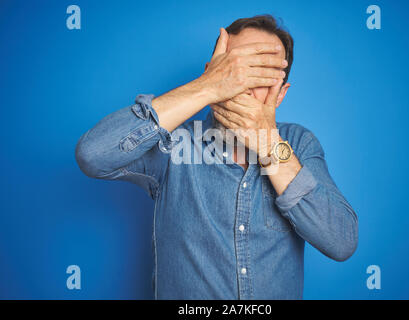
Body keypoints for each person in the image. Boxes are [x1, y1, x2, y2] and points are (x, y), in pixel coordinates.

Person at [75, 14, 358, 299]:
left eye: (262, 73)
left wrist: (269, 143)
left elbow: (340, 241)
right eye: (235, 69)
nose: (244, 84)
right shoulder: (173, 144)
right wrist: (206, 87)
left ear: (281, 93)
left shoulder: (298, 142)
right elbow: (93, 155)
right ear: (213, 72)